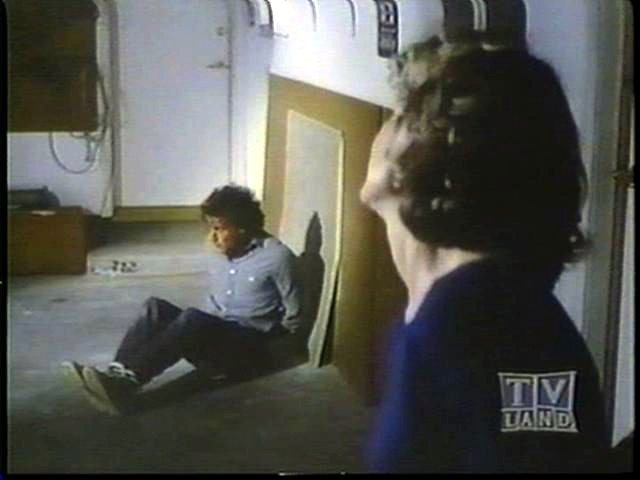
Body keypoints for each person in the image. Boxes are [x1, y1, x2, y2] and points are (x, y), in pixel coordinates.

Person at [359, 36, 609, 473]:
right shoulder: (462, 313)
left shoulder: (482, 330)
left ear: (415, 158)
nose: (386, 126)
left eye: (402, 114)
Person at [63, 184, 301, 415]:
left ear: (242, 228)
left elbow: (295, 315)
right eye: (210, 228)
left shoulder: (277, 257)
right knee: (155, 307)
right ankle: (117, 375)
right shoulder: (217, 249)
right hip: (214, 338)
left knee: (193, 319)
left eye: (219, 228)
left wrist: (276, 356)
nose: (213, 236)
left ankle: (127, 383)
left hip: (247, 347)